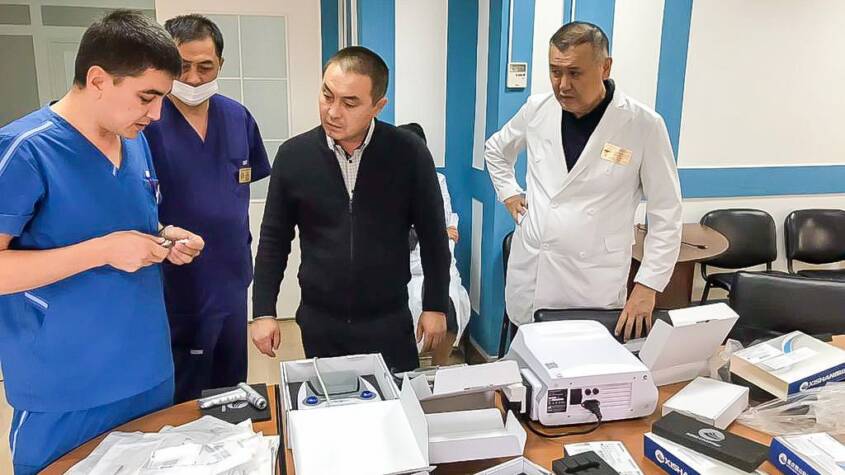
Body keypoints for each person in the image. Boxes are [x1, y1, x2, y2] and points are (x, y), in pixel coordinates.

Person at [0, 10, 205, 473]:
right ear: (97, 80)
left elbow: (122, 221)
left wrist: (164, 238)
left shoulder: (133, 141)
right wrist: (103, 251)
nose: (157, 114)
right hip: (66, 387)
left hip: (147, 372)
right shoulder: (25, 149)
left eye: (162, 99)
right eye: (147, 97)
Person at [249, 46, 451, 372]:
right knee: (330, 403)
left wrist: (436, 305)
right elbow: (273, 239)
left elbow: (433, 236)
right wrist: (263, 310)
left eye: (350, 103)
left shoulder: (409, 154)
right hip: (320, 321)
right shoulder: (293, 156)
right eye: (327, 96)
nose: (333, 112)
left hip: (388, 320)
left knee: (396, 401)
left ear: (377, 106)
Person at [485, 22, 682, 341]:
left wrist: (648, 286)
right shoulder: (537, 109)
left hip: (592, 283)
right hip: (534, 272)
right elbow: (496, 149)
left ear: (605, 67)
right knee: (526, 362)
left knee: (582, 365)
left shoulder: (643, 125)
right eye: (555, 72)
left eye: (575, 73)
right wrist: (509, 192)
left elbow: (667, 212)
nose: (562, 85)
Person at [144, 14, 272, 403]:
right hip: (175, 285)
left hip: (231, 279)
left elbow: (241, 186)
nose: (195, 78)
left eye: (206, 67)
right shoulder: (146, 123)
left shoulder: (237, 117)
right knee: (185, 396)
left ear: (220, 64)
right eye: (183, 67)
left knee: (231, 388)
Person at [397, 123, 471, 365]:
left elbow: (446, 228)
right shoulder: (387, 182)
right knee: (400, 311)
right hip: (400, 267)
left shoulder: (438, 181)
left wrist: (429, 232)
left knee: (449, 308)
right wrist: (426, 231)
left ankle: (439, 369)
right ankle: (404, 368)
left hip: (435, 265)